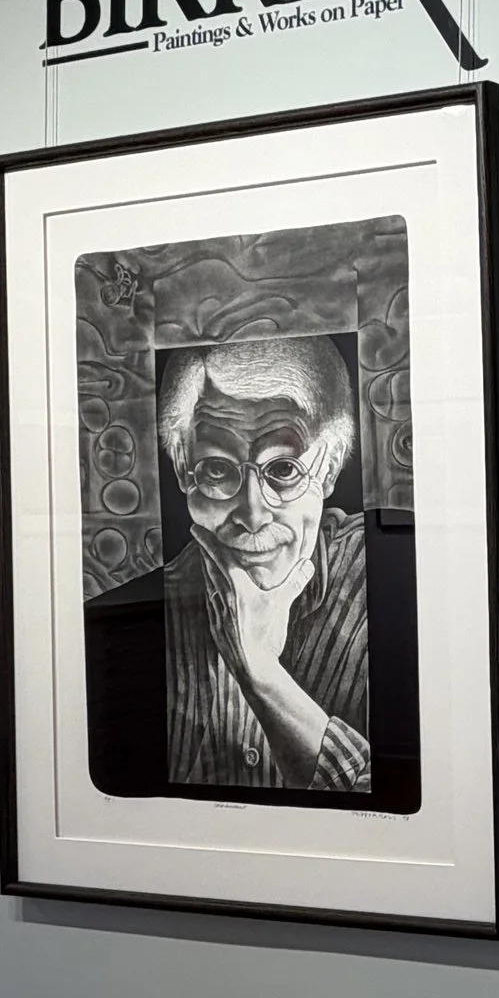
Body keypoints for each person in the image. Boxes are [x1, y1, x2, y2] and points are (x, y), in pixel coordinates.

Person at [157, 336, 371, 791]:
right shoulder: (145, 612)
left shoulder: (388, 590)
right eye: (216, 469)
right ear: (181, 467)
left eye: (285, 470)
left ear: (330, 469)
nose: (253, 514)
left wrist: (260, 672)